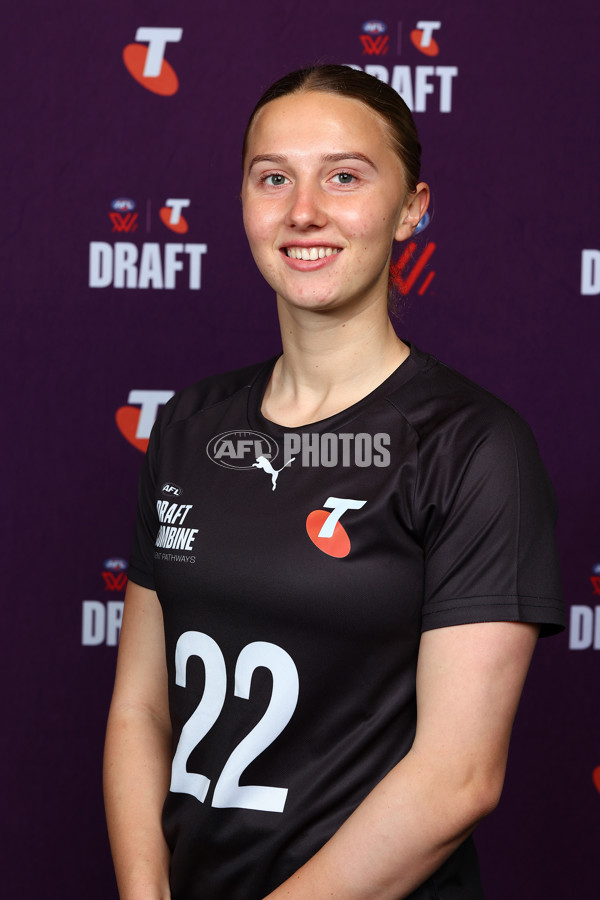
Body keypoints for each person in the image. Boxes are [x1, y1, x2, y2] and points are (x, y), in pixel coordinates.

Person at [103, 65, 564, 900]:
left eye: (344, 177)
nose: (303, 211)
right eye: (272, 178)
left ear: (412, 208)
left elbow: (459, 777)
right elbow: (141, 710)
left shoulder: (472, 446)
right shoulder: (188, 427)